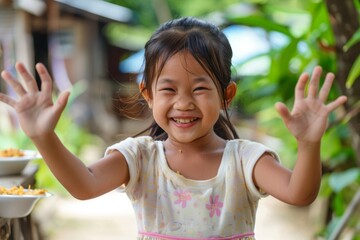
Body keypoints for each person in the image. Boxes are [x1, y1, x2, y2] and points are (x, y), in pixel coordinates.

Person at [0, 17, 347, 239]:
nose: (183, 103)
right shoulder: (140, 157)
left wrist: (308, 145)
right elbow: (84, 186)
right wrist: (43, 136)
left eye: (199, 88)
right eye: (168, 89)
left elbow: (299, 194)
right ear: (147, 95)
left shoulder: (244, 159)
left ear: (226, 94)